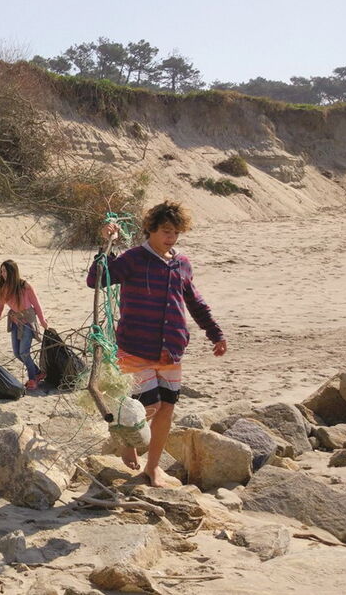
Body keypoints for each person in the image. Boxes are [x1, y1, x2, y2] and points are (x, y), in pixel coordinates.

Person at [87, 201, 227, 487]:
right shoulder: (134, 258)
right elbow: (96, 280)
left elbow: (195, 303)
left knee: (166, 409)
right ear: (150, 229)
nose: (171, 237)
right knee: (148, 405)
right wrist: (106, 245)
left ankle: (153, 468)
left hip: (171, 350)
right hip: (135, 347)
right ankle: (127, 441)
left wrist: (215, 333)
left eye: (175, 232)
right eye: (165, 231)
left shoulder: (181, 263)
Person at [0, 260, 48, 390]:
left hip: (27, 320)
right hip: (15, 321)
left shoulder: (25, 286)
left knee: (24, 352)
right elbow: (0, 308)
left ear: (12, 272)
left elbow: (36, 305)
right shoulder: (4, 289)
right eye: (1, 271)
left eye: (5, 271)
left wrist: (43, 321)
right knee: (17, 353)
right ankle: (38, 373)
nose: (2, 274)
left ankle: (33, 379)